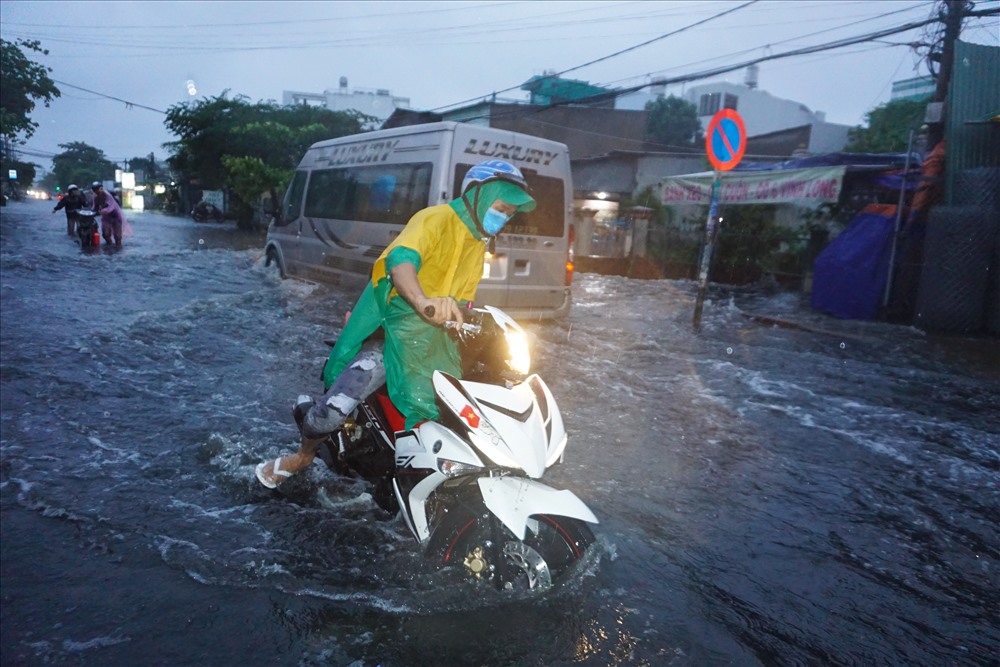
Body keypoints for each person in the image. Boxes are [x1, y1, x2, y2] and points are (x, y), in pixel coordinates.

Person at [255, 160, 536, 488]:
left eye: (509, 214)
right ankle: (303, 455)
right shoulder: (435, 219)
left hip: (431, 339)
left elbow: (462, 300)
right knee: (334, 408)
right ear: (478, 196)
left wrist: (472, 317)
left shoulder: (477, 245)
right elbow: (401, 262)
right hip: (391, 328)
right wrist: (422, 301)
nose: (503, 218)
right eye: (500, 208)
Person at [91, 182, 127, 246]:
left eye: (98, 189)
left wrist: (102, 211)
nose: (97, 192)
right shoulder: (96, 198)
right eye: (95, 190)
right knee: (105, 234)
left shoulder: (108, 196)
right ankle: (109, 245)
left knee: (117, 237)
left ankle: (118, 249)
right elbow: (94, 207)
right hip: (106, 218)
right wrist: (91, 213)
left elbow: (111, 207)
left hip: (115, 216)